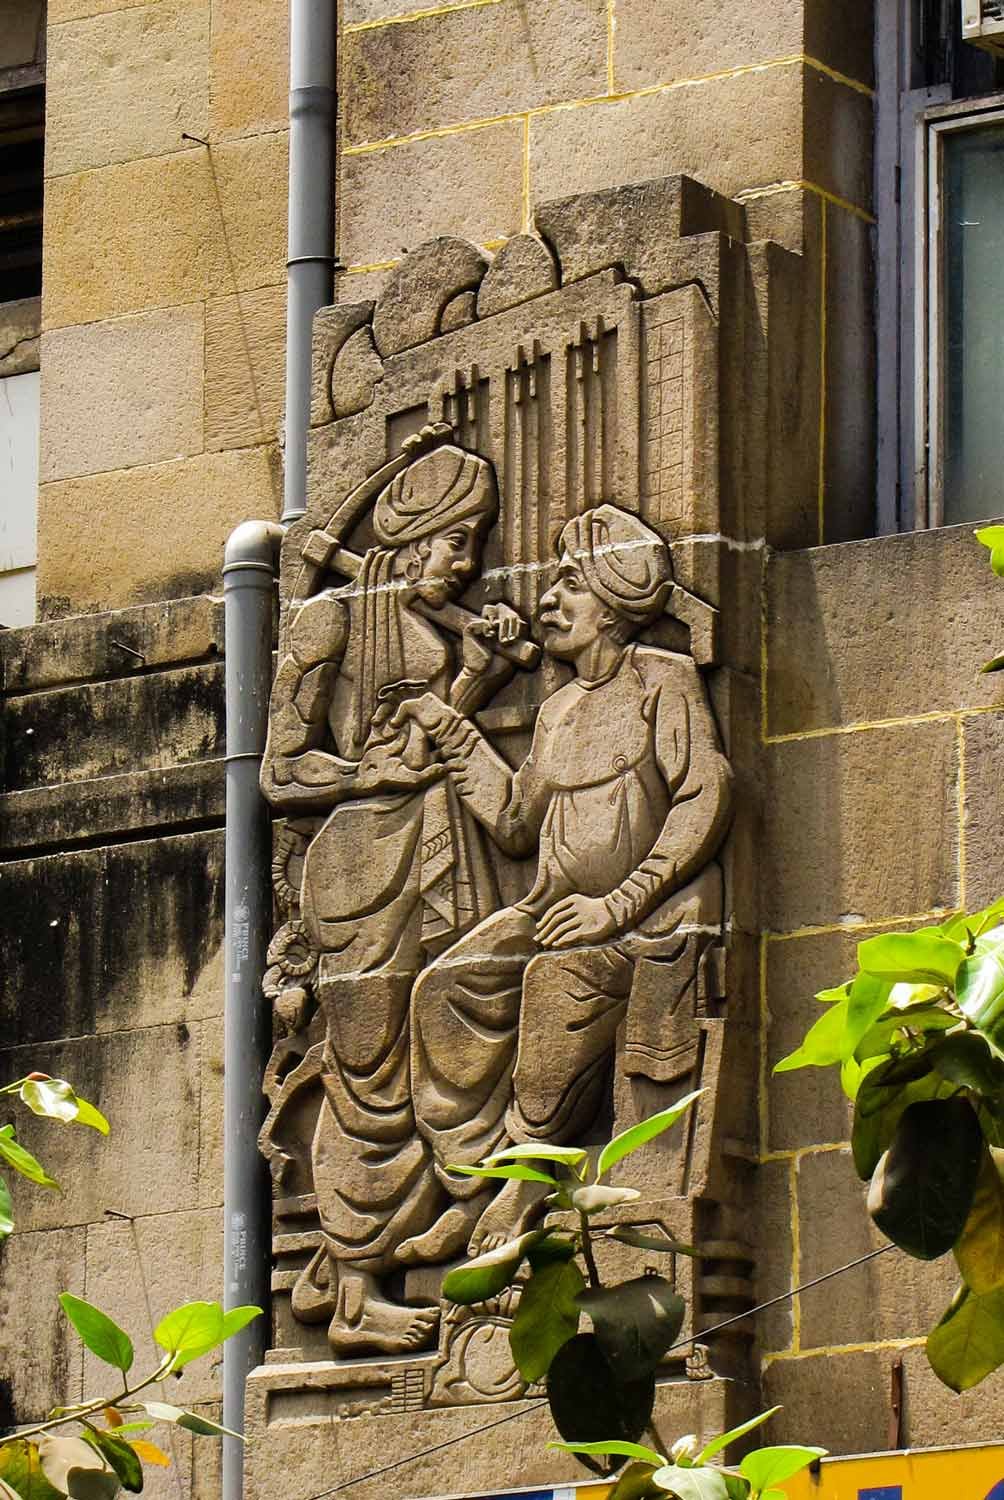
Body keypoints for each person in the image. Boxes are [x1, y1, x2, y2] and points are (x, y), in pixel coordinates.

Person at [393, 504, 733, 1251]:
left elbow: (703, 796)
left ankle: (523, 1185)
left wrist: (619, 903)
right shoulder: (556, 712)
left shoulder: (663, 682)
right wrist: (451, 729)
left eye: (569, 584)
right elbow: (516, 822)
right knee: (443, 991)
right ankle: (477, 1178)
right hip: (553, 909)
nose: (546, 599)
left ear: (613, 604)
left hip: (639, 919)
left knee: (553, 984)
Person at [260, 435, 524, 1355]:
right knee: (366, 1076)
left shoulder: (435, 621)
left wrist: (476, 677)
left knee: (438, 1046)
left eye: (477, 542)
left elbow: (430, 731)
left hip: (441, 848)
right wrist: (357, 771)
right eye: (458, 541)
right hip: (359, 867)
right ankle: (352, 1293)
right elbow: (279, 772)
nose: (469, 562)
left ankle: (423, 1240)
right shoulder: (329, 619)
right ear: (411, 539)